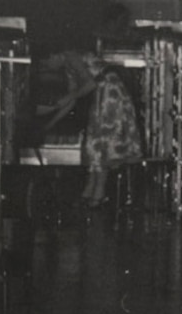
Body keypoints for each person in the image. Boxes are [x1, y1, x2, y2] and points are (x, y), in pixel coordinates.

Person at [36, 50, 144, 209]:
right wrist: (51, 122)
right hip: (102, 93)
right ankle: (91, 189)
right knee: (94, 142)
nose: (48, 68)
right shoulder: (69, 69)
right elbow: (72, 98)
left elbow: (87, 86)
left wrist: (61, 103)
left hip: (109, 90)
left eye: (47, 63)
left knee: (102, 141)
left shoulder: (71, 56)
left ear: (55, 55)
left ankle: (98, 191)